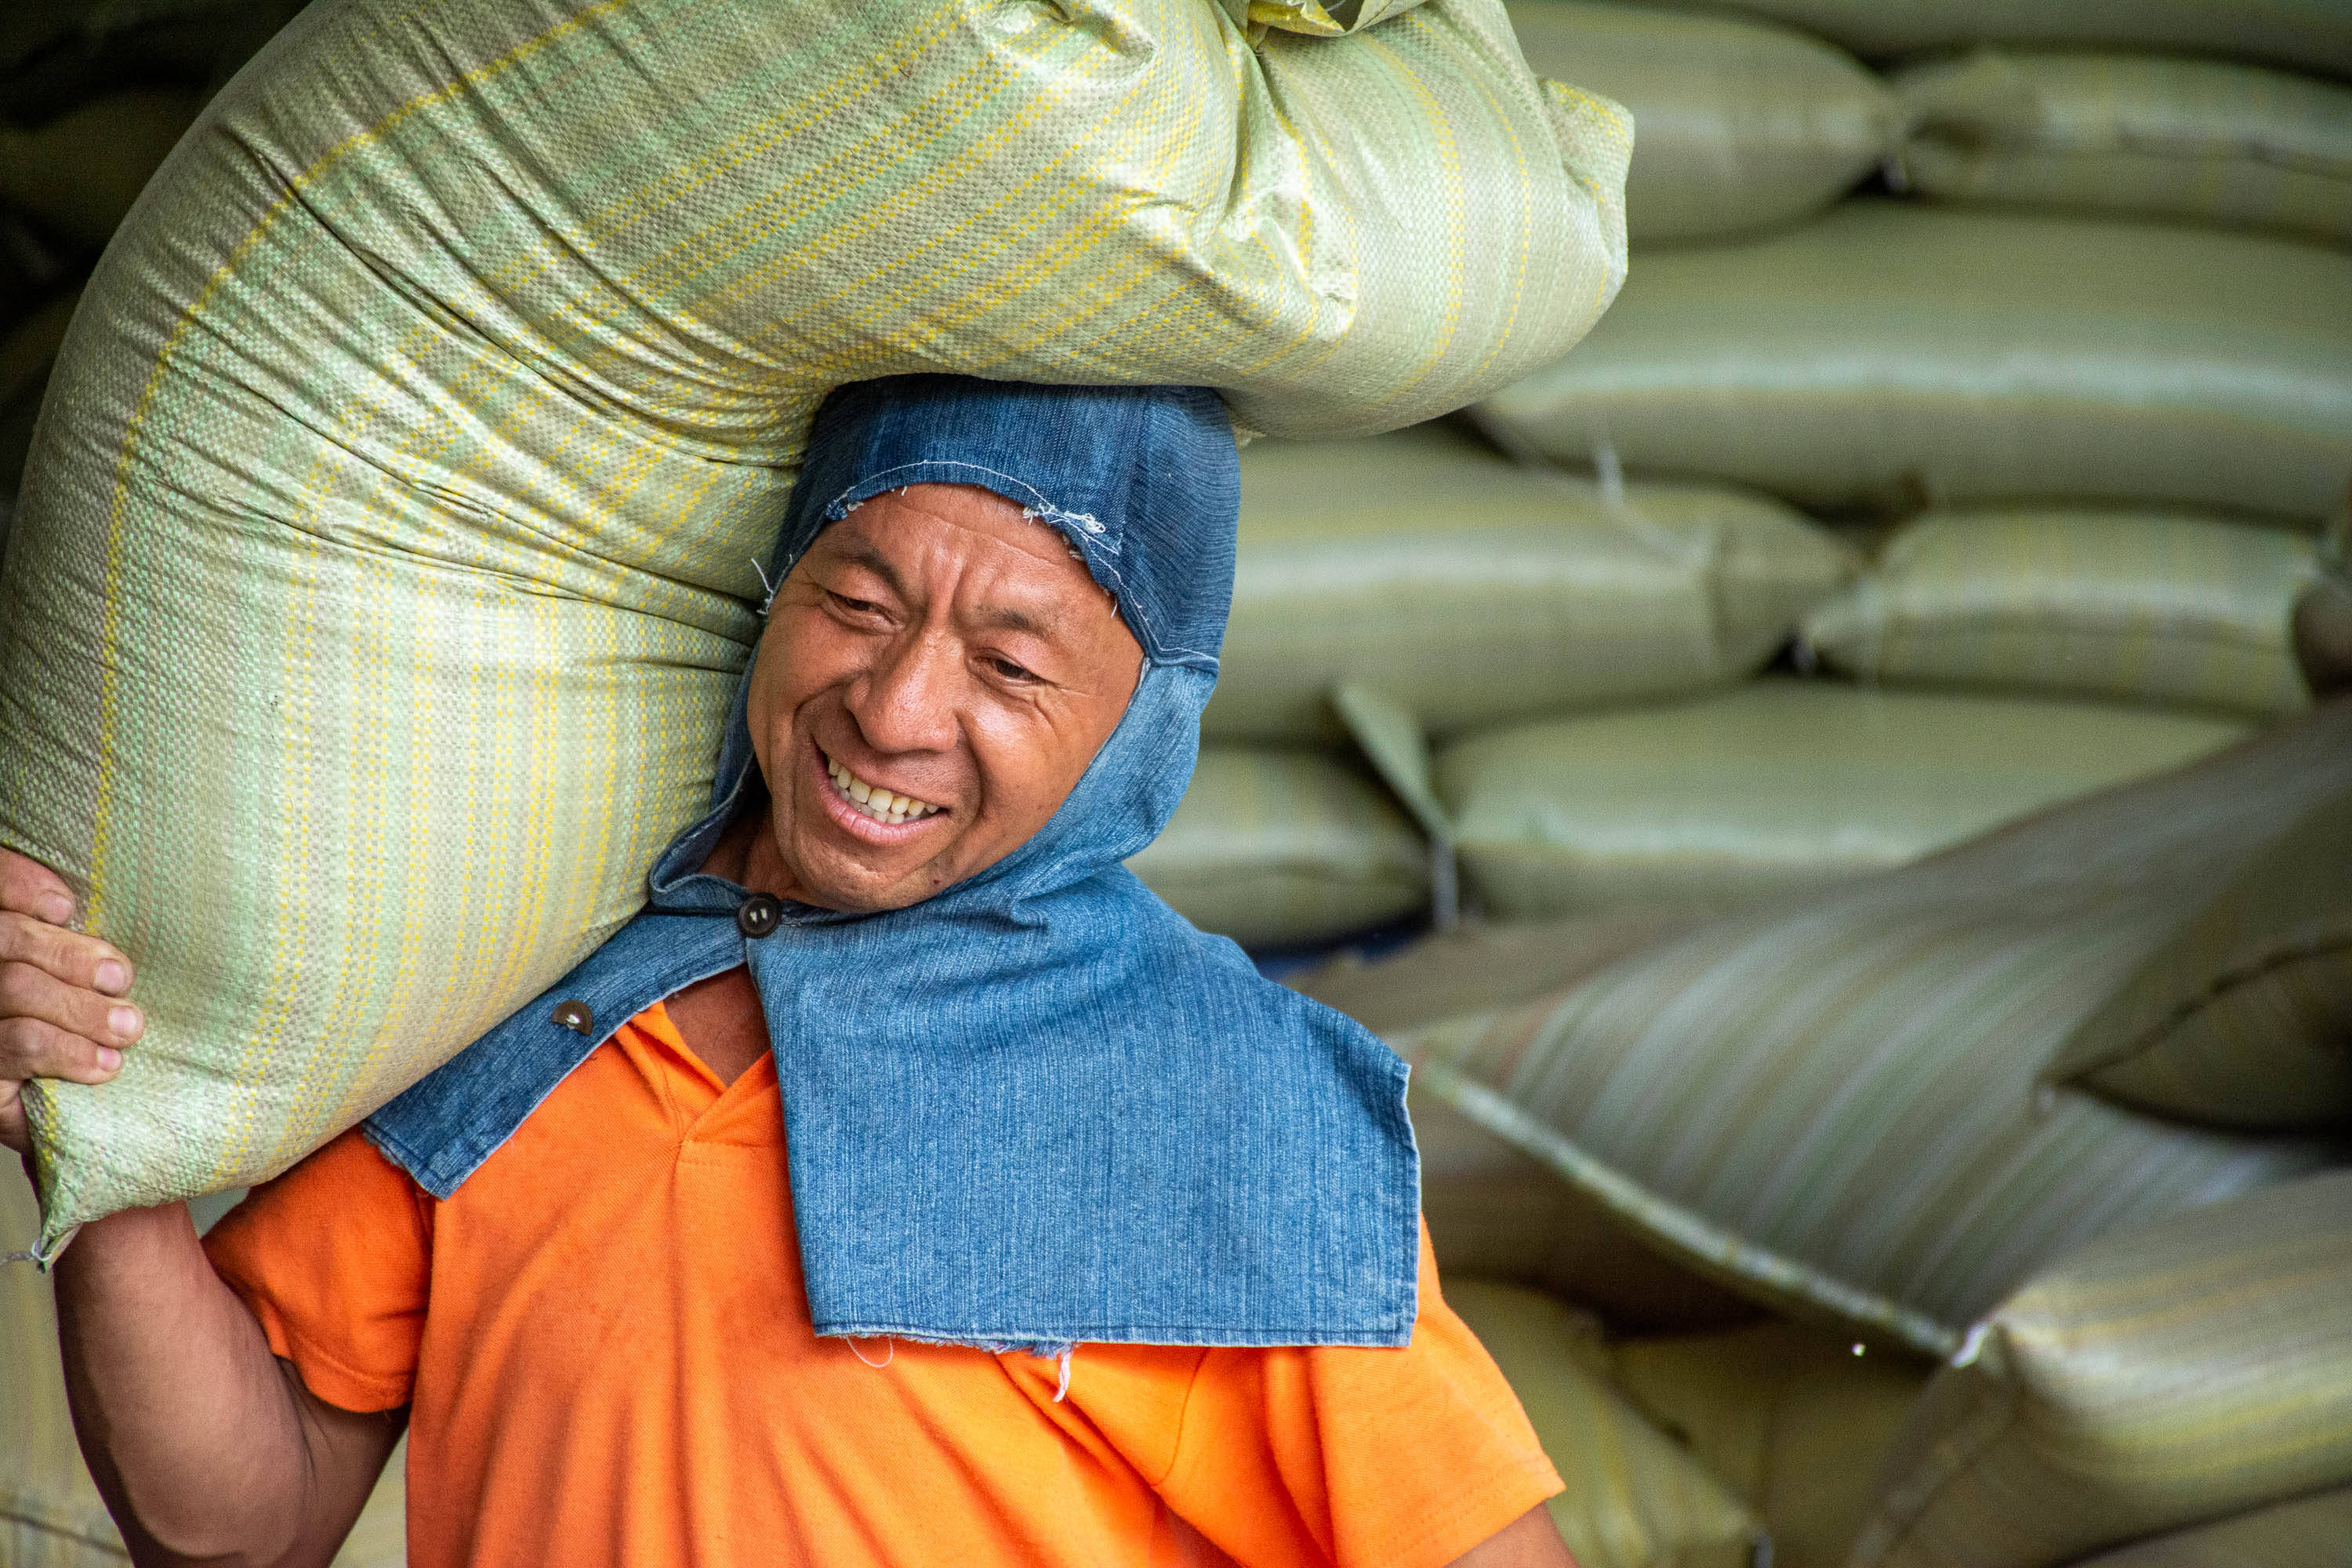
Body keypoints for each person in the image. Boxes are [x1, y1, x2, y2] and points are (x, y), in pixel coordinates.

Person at [0, 376, 1574, 1568]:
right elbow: (241, 1526)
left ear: (1137, 728)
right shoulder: (536, 993)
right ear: (774, 601)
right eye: (857, 603)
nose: (893, 708)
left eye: (1010, 666)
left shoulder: (1218, 1101)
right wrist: (111, 1154)